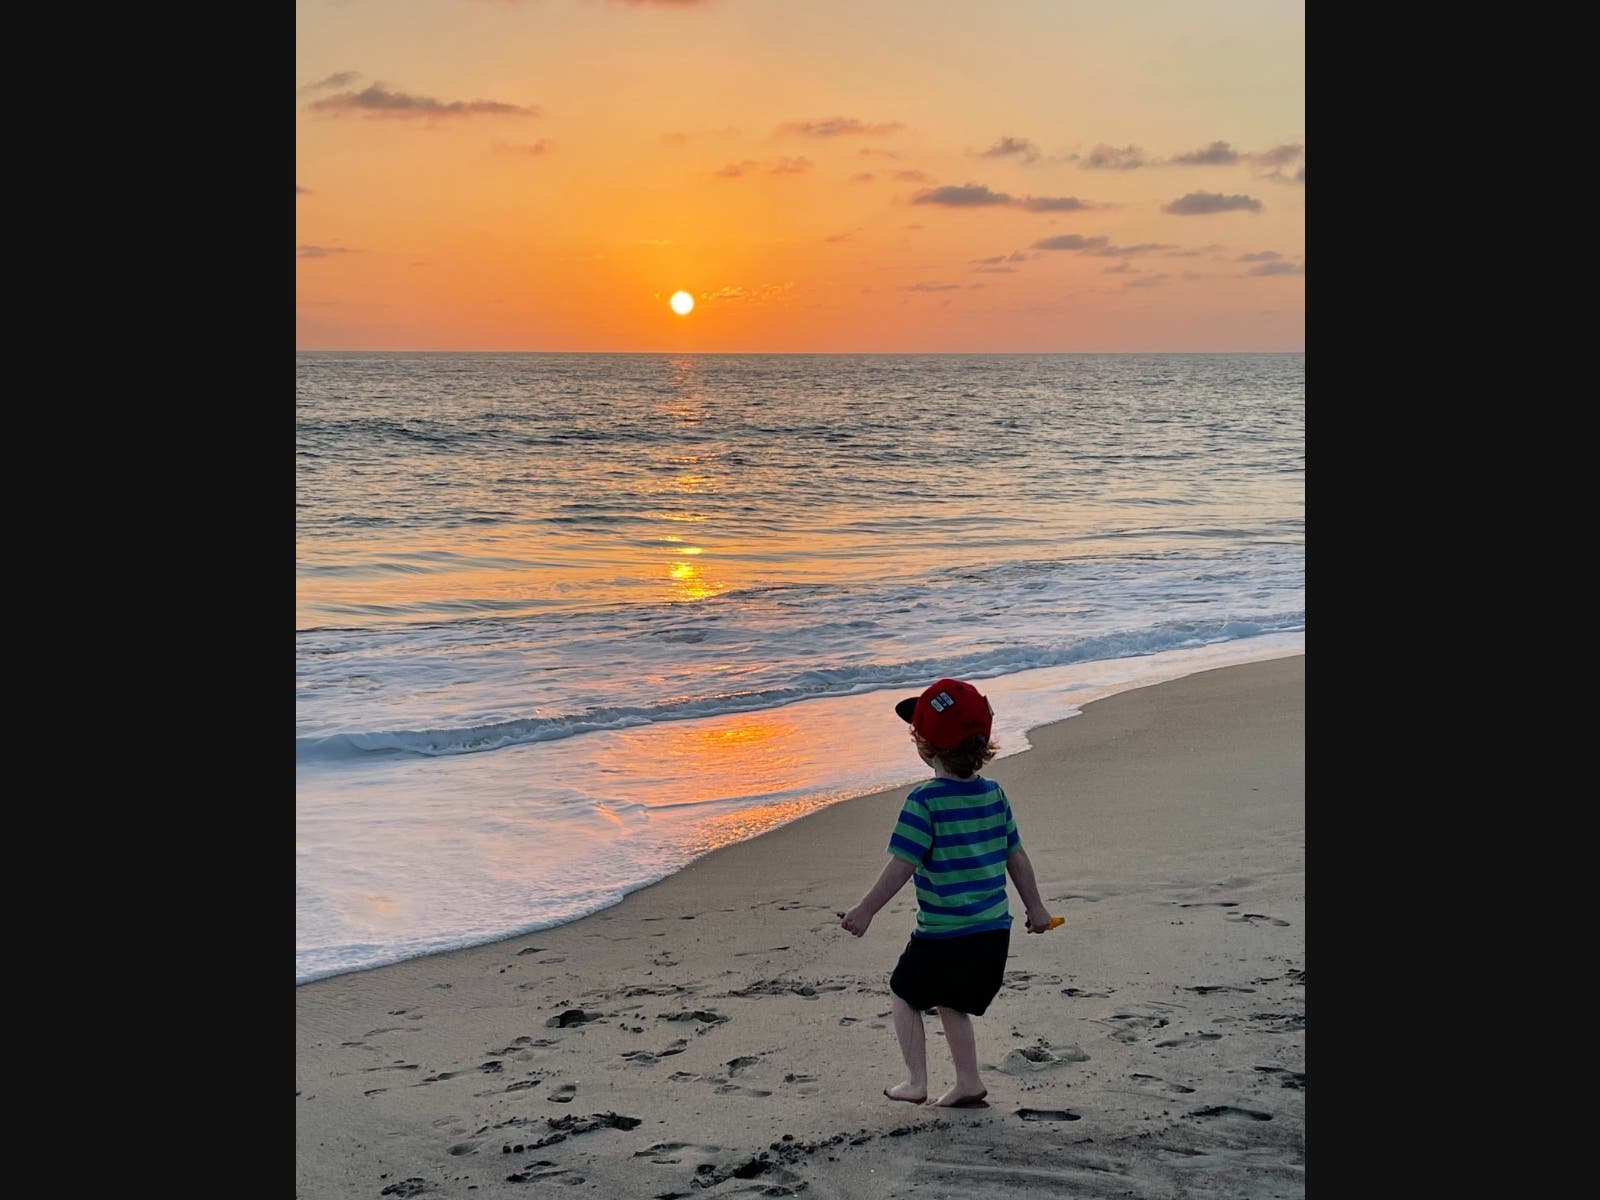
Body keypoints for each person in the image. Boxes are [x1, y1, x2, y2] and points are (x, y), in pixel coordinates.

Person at [841, 678, 1054, 1107]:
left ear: (925, 746)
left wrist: (865, 910)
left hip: (944, 934)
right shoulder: (994, 795)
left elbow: (902, 865)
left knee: (904, 993)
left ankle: (916, 1081)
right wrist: (1036, 907)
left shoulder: (925, 802)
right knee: (950, 1001)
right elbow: (1016, 855)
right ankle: (968, 1081)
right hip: (992, 931)